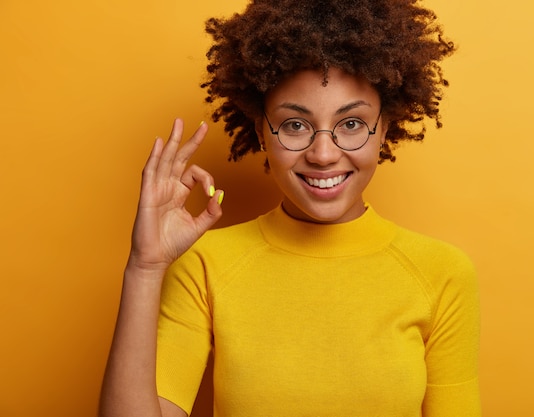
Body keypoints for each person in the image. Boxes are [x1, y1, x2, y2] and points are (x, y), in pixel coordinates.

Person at [99, 0, 481, 416]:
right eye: (295, 124)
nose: (322, 154)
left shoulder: (442, 273)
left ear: (383, 130)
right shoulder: (205, 266)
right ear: (262, 131)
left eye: (351, 124)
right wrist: (145, 267)